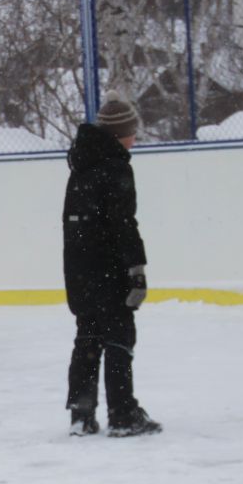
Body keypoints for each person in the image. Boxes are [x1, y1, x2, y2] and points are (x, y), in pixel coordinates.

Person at [63, 98, 159, 437]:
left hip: (79, 267)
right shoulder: (116, 166)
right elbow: (123, 223)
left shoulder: (81, 165)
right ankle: (123, 413)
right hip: (108, 266)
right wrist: (136, 269)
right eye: (132, 131)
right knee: (119, 335)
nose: (134, 138)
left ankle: (81, 413)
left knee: (88, 335)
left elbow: (73, 225)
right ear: (121, 134)